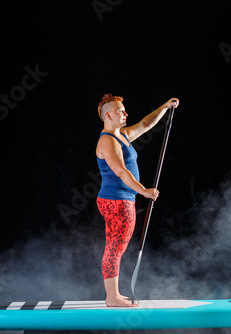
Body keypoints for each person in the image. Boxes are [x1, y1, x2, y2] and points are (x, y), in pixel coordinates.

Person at [95, 94, 179, 307]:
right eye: (121, 111)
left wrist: (165, 106)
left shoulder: (121, 135)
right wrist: (145, 191)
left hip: (121, 200)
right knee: (114, 248)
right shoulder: (107, 140)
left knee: (116, 247)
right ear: (108, 115)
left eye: (124, 110)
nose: (126, 113)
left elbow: (145, 124)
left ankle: (113, 294)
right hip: (117, 202)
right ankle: (112, 297)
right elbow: (121, 172)